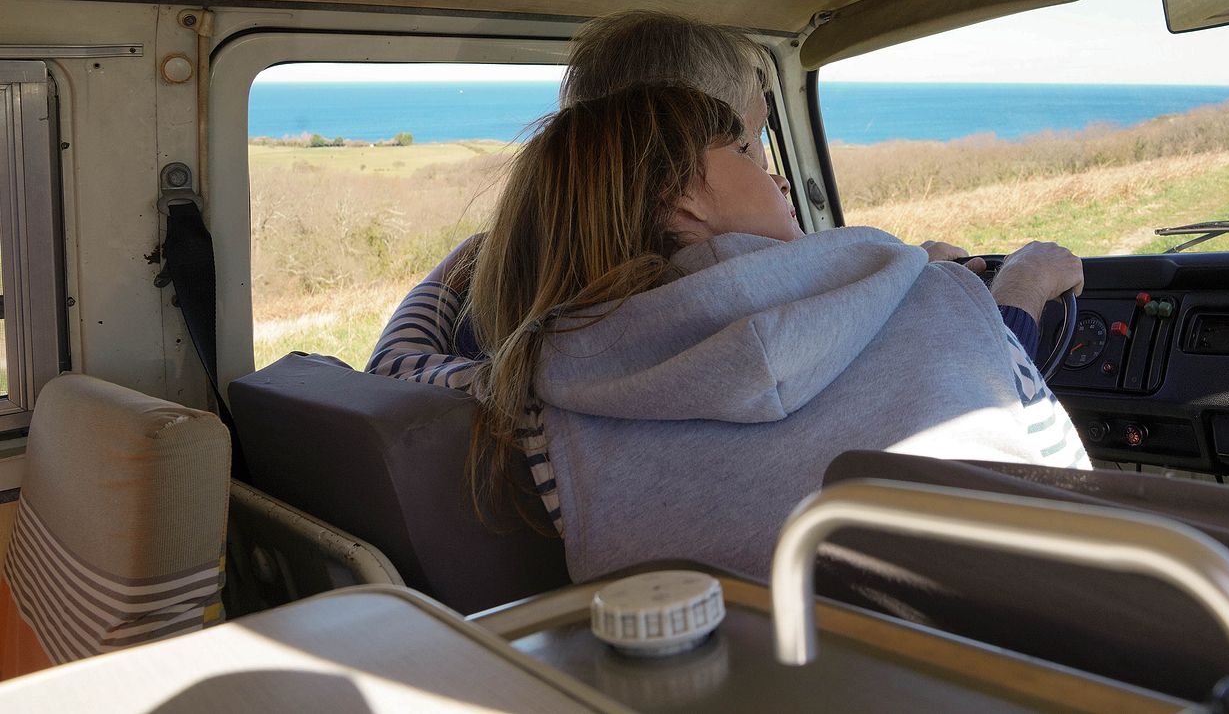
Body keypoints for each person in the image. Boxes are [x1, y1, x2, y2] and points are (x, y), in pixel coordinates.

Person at [369, 83, 1088, 580]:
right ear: (678, 199)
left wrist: (472, 252)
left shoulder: (539, 401)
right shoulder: (945, 296)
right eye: (745, 151)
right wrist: (1011, 289)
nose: (775, 175)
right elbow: (1069, 489)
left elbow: (395, 366)